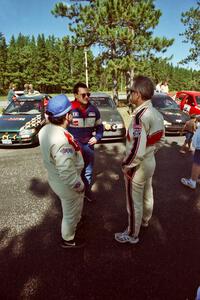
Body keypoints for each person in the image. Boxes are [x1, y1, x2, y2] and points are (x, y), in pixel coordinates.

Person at [114, 75, 165, 245]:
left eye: (130, 92)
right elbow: (161, 141)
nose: (129, 95)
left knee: (134, 201)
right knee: (147, 193)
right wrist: (149, 152)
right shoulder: (156, 113)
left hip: (138, 165)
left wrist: (126, 165)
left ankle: (132, 234)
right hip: (149, 161)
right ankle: (144, 221)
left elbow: (136, 149)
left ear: (138, 94)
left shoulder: (139, 117)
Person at [38, 94, 85, 248]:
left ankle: (76, 224)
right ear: (66, 116)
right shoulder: (61, 140)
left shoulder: (46, 129)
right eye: (70, 112)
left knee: (71, 210)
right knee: (70, 214)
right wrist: (79, 185)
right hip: (66, 183)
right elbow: (66, 172)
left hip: (55, 178)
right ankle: (68, 240)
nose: (72, 114)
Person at [68, 82, 104, 202]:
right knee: (74, 172)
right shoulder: (69, 109)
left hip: (88, 146)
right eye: (83, 95)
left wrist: (98, 137)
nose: (87, 97)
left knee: (88, 172)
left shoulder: (94, 109)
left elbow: (100, 126)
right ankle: (73, 196)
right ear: (75, 95)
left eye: (88, 94)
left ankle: (86, 193)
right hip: (73, 147)